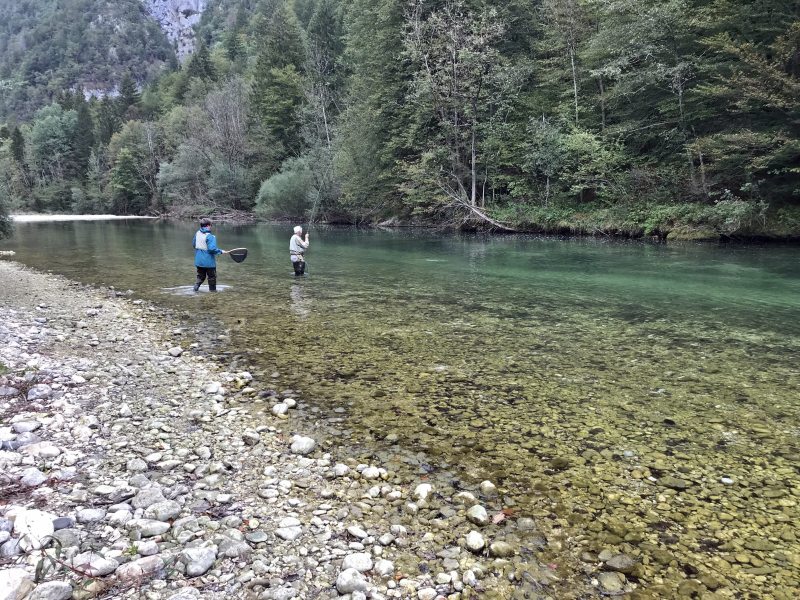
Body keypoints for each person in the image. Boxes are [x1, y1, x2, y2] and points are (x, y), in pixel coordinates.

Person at [193, 218, 226, 292]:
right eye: (211, 225)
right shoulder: (210, 236)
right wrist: (220, 251)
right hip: (209, 262)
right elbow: (212, 249)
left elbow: (194, 244)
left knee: (200, 276)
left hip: (199, 261)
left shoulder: (197, 233)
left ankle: (195, 288)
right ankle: (213, 292)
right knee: (212, 277)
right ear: (208, 226)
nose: (211, 227)